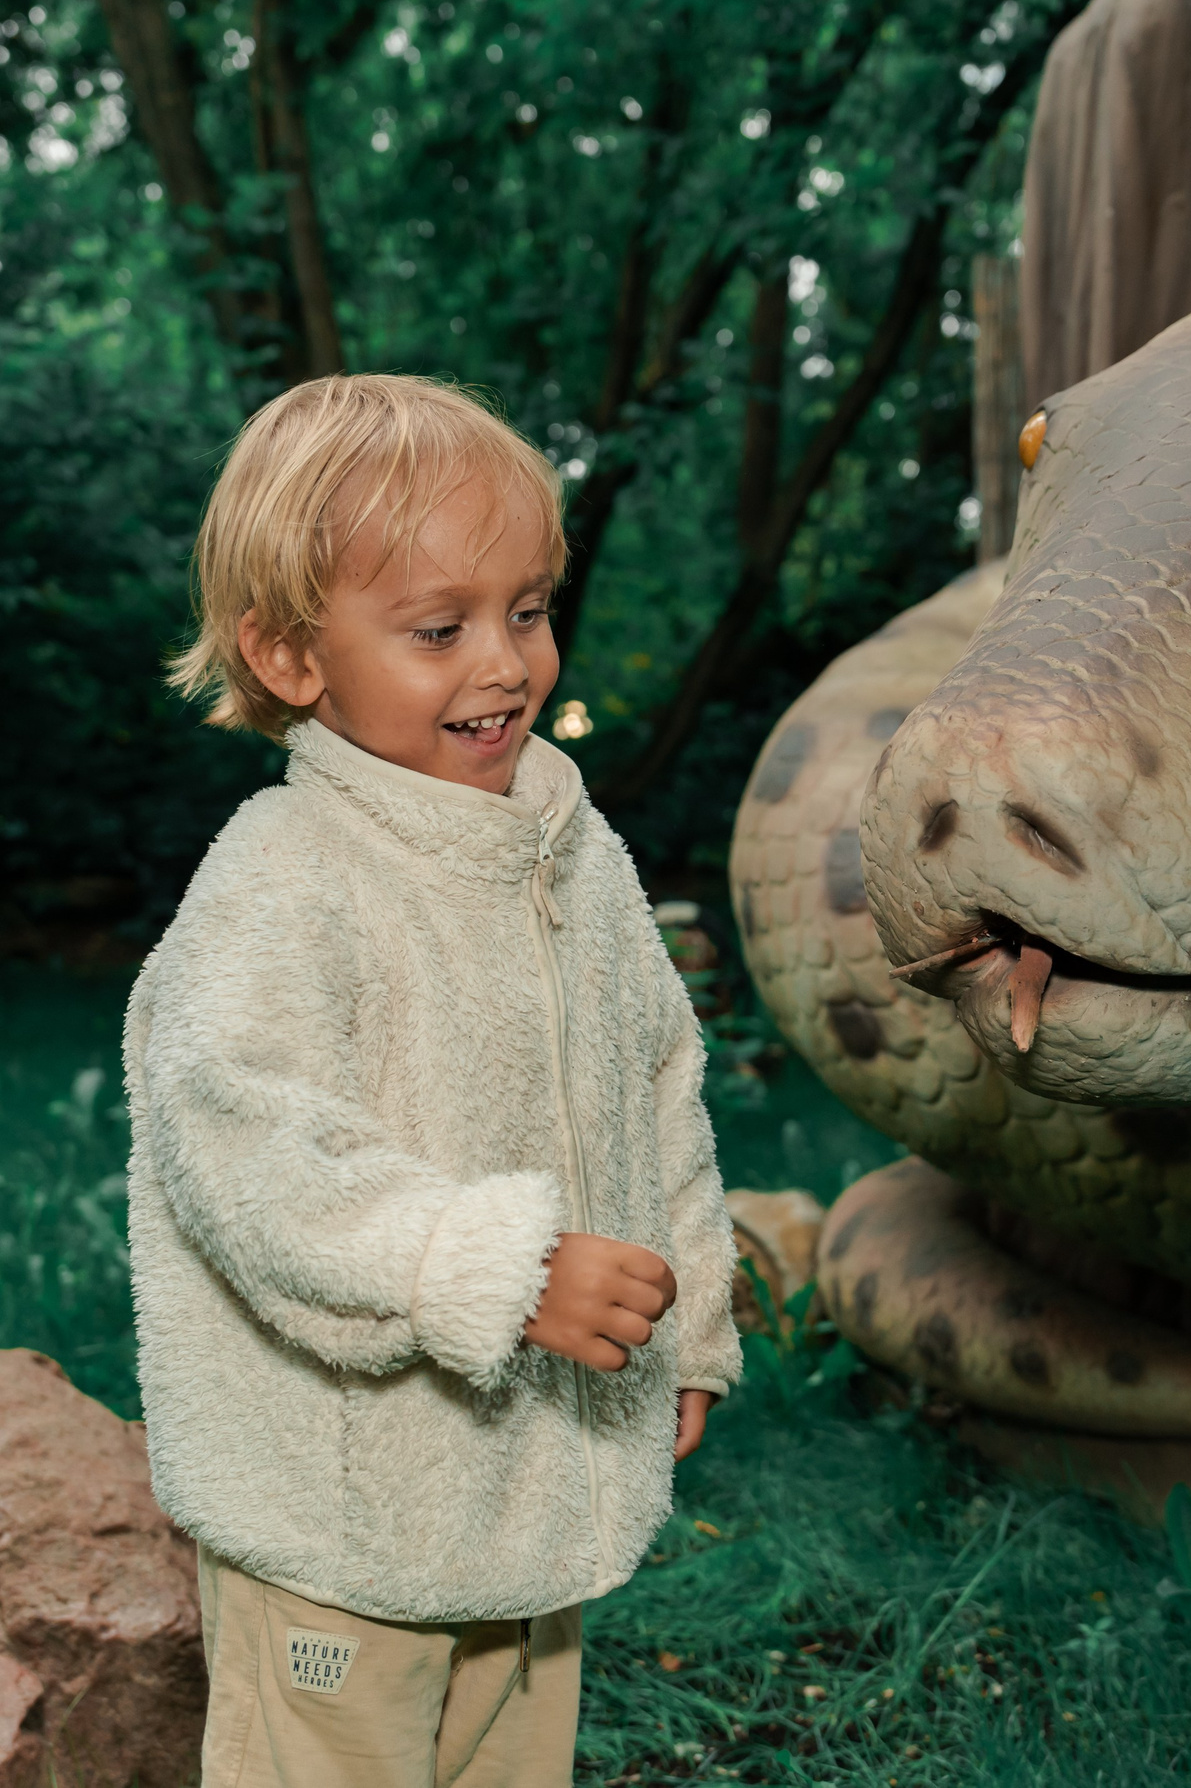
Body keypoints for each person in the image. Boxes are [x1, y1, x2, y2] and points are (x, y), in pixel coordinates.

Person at [127, 374, 743, 1787]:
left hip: (529, 1488)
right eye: (438, 627)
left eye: (526, 609)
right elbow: (250, 1146)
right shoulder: (286, 881)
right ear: (287, 654)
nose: (507, 663)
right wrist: (501, 1269)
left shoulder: (573, 858)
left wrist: (688, 1320)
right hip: (342, 1509)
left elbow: (659, 1088)